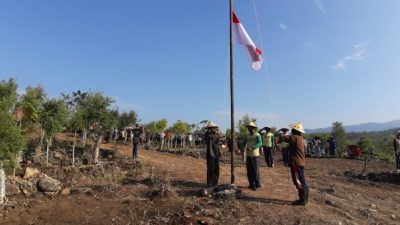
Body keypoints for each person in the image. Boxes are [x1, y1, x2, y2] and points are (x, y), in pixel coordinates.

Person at [279, 122, 308, 205]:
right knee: (301, 180)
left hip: (296, 163)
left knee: (299, 181)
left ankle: (302, 200)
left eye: (293, 129)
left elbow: (286, 138)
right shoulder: (300, 138)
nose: (291, 130)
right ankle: (303, 199)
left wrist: (281, 133)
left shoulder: (295, 137)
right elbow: (288, 146)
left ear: (296, 130)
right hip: (299, 162)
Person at [244, 121, 262, 191]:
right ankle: (251, 184)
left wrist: (252, 147)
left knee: (255, 170)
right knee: (249, 171)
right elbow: (244, 143)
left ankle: (257, 185)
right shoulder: (247, 136)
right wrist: (242, 147)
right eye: (248, 128)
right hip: (248, 155)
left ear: (254, 128)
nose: (249, 129)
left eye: (250, 128)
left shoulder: (257, 135)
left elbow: (260, 143)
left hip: (255, 155)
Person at [204, 122, 221, 186]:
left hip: (215, 153)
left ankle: (214, 182)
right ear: (210, 128)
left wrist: (218, 135)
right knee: (211, 168)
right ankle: (211, 183)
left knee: (216, 168)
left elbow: (216, 142)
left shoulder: (212, 135)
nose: (214, 129)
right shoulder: (209, 135)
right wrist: (218, 135)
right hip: (211, 154)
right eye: (212, 128)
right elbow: (214, 139)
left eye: (214, 128)